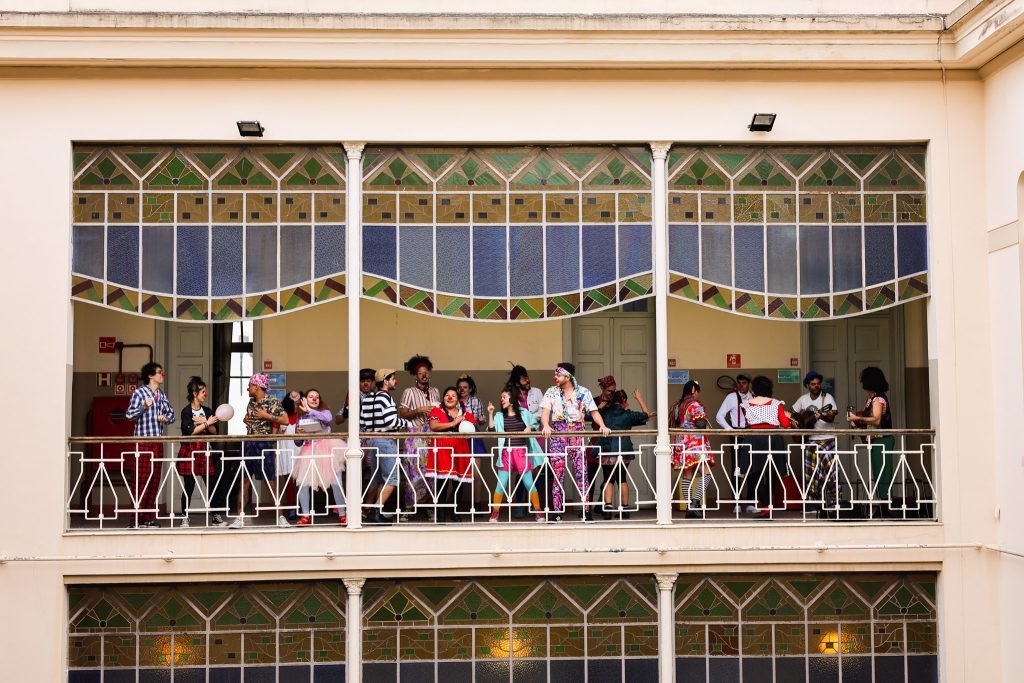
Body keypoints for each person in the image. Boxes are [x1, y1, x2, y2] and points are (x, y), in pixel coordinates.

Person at [540, 363, 611, 522]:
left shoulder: (583, 392)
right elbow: (545, 412)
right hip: (558, 434)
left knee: (582, 473)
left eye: (558, 375)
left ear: (567, 376)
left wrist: (603, 426)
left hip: (577, 433)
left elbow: (594, 412)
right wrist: (546, 425)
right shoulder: (551, 392)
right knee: (558, 473)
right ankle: (557, 511)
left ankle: (586, 511)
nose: (555, 378)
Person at [231, 373, 288, 529]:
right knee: (244, 481)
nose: (248, 388)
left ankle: (280, 517)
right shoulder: (250, 402)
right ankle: (239, 517)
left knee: (271, 483)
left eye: (250, 385)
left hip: (264, 444)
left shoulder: (272, 401)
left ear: (256, 386)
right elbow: (250, 419)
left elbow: (285, 420)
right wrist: (245, 419)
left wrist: (266, 416)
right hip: (248, 443)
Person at [124, 361, 175, 528]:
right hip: (143, 442)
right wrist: (144, 407)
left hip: (157, 442)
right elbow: (129, 415)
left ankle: (147, 517)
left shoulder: (162, 395)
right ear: (150, 375)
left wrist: (165, 419)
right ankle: (135, 519)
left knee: (154, 480)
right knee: (140, 480)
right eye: (159, 372)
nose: (162, 375)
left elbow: (172, 415)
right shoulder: (139, 393)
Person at [361, 369, 413, 524]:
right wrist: (407, 424)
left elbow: (363, 423)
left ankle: (368, 510)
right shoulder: (386, 398)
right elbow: (391, 421)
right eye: (393, 378)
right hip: (386, 441)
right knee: (392, 479)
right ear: (385, 380)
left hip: (372, 441)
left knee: (377, 478)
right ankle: (375, 512)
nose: (395, 381)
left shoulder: (368, 398)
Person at [486, 384, 545, 523]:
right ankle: (495, 513)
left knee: (529, 483)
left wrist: (529, 427)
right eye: (501, 397)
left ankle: (538, 512)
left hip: (522, 452)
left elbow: (535, 426)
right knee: (501, 483)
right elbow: (491, 431)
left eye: (504, 397)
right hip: (506, 452)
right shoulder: (499, 415)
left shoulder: (524, 413)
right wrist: (490, 413)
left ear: (511, 399)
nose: (501, 399)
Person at [593, 389, 654, 520]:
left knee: (608, 478)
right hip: (624, 449)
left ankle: (608, 508)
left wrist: (600, 406)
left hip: (608, 449)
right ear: (624, 401)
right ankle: (624, 509)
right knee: (622, 478)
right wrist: (639, 398)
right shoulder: (628, 414)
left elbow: (590, 416)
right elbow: (646, 415)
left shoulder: (603, 413)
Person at [740, 375, 793, 519]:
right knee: (772, 473)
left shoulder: (747, 403)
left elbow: (748, 422)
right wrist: (787, 417)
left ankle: (765, 505)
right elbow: (785, 424)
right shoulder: (776, 403)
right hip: (773, 439)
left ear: (754, 389)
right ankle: (768, 506)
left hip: (754, 438)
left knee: (753, 473)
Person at [293, 389, 347, 526]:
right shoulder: (301, 417)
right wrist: (299, 435)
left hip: (326, 449)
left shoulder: (324, 412)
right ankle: (305, 515)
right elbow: (297, 442)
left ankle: (342, 514)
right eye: (311, 396)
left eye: (317, 396)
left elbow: (328, 419)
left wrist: (309, 411)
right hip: (309, 450)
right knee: (303, 484)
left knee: (336, 483)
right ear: (305, 399)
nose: (314, 399)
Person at [847, 366, 894, 517]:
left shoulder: (878, 398)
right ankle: (882, 505)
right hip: (876, 440)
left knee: (883, 473)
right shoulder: (871, 399)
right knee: (878, 472)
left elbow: (876, 419)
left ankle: (885, 507)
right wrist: (856, 423)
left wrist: (857, 418)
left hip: (883, 439)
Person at [427, 387, 477, 522]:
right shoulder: (436, 410)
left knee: (458, 484)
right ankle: (441, 513)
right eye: (447, 395)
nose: (449, 397)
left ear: (457, 399)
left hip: (460, 448)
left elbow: (472, 426)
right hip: (442, 448)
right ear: (443, 398)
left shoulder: (465, 413)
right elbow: (434, 426)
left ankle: (455, 512)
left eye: (453, 395)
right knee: (441, 483)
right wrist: (453, 422)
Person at [791, 371, 839, 509]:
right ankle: (813, 504)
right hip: (810, 440)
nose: (816, 386)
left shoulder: (827, 398)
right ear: (807, 385)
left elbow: (831, 417)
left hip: (827, 439)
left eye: (818, 384)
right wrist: (795, 423)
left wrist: (821, 416)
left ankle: (835, 503)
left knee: (831, 472)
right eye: (813, 384)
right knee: (810, 473)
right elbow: (792, 414)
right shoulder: (803, 399)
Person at [176, 376, 219, 528]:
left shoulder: (207, 411)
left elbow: (214, 431)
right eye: (202, 391)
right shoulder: (186, 412)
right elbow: (190, 432)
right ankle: (185, 516)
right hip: (190, 451)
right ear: (195, 393)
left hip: (204, 451)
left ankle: (215, 515)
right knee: (189, 485)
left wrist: (207, 424)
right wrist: (206, 422)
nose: (205, 394)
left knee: (212, 483)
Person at [398, 354, 439, 509]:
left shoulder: (435, 391)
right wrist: (418, 410)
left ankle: (428, 507)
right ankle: (409, 507)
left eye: (426, 372)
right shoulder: (409, 391)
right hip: (414, 435)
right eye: (421, 373)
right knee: (413, 471)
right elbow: (403, 413)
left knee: (431, 471)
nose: (424, 375)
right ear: (416, 375)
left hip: (431, 435)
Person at [671, 380, 715, 519]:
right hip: (695, 442)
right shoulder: (695, 405)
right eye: (698, 392)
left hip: (681, 442)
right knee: (706, 474)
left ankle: (689, 507)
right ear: (694, 391)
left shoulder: (677, 405)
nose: (698, 395)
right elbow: (700, 423)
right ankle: (695, 503)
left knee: (687, 475)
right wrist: (707, 427)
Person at [715, 374, 754, 512]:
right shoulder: (731, 397)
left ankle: (751, 503)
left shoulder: (754, 397)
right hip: (737, 434)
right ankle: (736, 502)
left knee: (752, 469)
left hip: (751, 433)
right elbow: (719, 416)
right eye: (739, 383)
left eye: (744, 383)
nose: (741, 385)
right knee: (737, 469)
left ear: (749, 384)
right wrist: (730, 430)